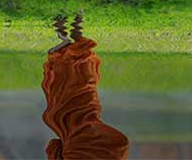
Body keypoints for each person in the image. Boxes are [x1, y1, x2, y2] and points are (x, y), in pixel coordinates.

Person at [42, 14, 129, 159]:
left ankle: (77, 36)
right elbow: (54, 147)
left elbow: (119, 147)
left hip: (90, 122)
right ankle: (64, 38)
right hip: (70, 126)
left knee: (85, 88)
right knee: (62, 81)